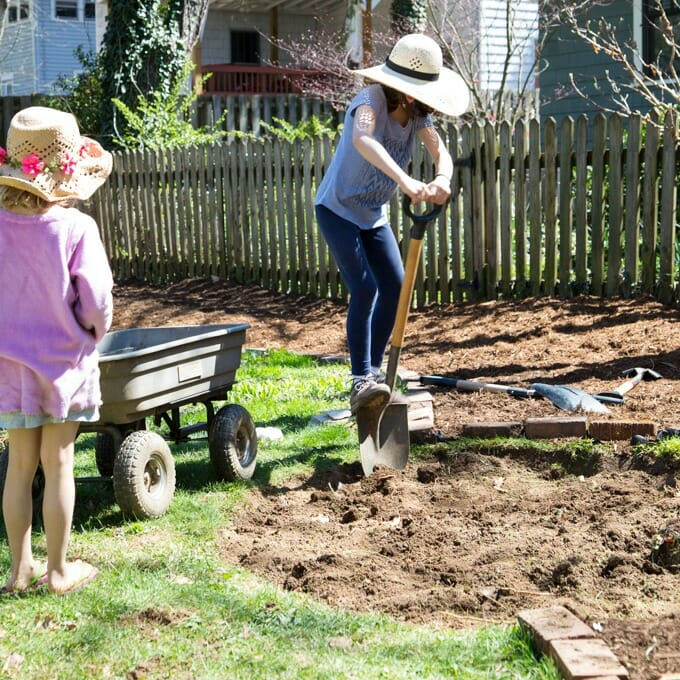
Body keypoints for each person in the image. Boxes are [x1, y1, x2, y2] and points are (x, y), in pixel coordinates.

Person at [314, 33, 469, 414]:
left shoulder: (420, 118)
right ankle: (359, 380)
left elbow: (440, 152)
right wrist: (405, 180)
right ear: (408, 91)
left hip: (372, 216)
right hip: (337, 209)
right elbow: (363, 140)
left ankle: (376, 374)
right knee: (364, 289)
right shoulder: (368, 103)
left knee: (397, 287)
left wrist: (443, 179)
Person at [0, 107, 113, 595]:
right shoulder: (75, 228)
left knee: (19, 466)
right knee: (59, 461)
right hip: (64, 365)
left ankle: (19, 568)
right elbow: (97, 302)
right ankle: (59, 571)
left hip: (9, 366)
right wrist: (95, 331)